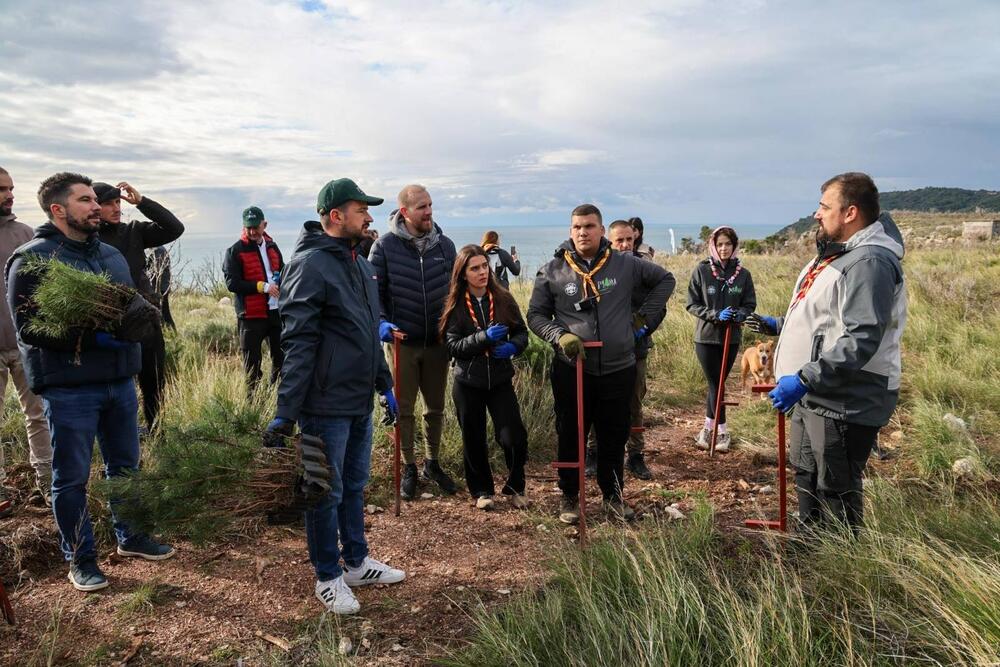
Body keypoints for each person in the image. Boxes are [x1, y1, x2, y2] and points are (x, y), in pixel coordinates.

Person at [6, 172, 174, 592]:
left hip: (118, 380)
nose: (96, 206)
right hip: (70, 387)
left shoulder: (111, 255)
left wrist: (141, 317)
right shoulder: (33, 259)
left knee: (125, 466)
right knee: (72, 477)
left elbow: (127, 306)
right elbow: (30, 329)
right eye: (85, 200)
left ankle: (131, 537)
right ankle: (80, 558)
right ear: (58, 209)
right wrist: (92, 334)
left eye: (94, 201)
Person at [264, 178, 404, 615]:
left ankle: (356, 562)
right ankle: (327, 575)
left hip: (358, 397)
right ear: (335, 216)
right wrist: (286, 412)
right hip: (323, 403)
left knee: (355, 484)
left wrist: (384, 384)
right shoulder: (309, 265)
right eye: (361, 209)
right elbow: (298, 342)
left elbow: (366, 331)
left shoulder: (358, 263)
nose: (369, 216)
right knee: (323, 490)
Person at [747, 172, 906, 533]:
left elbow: (862, 336)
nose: (817, 214)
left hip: (843, 397)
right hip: (816, 393)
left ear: (850, 213)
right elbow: (827, 316)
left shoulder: (870, 262)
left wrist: (804, 377)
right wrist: (783, 324)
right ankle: (810, 548)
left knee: (835, 487)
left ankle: (840, 570)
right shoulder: (842, 254)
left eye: (824, 207)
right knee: (808, 473)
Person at [528, 204, 675, 523]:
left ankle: (613, 496)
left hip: (618, 366)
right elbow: (536, 315)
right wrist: (558, 335)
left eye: (590, 226)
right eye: (577, 227)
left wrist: (642, 319)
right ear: (570, 231)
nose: (583, 232)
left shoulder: (625, 264)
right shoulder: (552, 270)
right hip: (572, 368)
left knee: (614, 434)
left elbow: (665, 280)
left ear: (601, 230)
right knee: (570, 433)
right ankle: (570, 497)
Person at [370, 185, 459, 499]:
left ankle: (432, 463)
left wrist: (455, 328)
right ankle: (408, 465)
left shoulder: (445, 246)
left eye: (431, 205)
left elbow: (455, 292)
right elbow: (373, 294)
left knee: (435, 408)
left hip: (437, 342)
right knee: (404, 409)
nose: (429, 211)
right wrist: (381, 322)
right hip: (402, 342)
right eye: (422, 207)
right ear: (405, 212)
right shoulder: (383, 247)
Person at [440, 244, 530, 511]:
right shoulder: (455, 304)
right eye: (474, 268)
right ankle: (481, 491)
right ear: (463, 273)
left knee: (514, 436)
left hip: (500, 380)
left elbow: (522, 333)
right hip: (468, 382)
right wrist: (483, 338)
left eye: (484, 266)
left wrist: (513, 346)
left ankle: (516, 487)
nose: (482, 272)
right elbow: (452, 346)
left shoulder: (503, 298)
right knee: (473, 437)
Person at [94, 181, 184, 431]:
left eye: (118, 203)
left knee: (154, 382)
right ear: (95, 206)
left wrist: (142, 202)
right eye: (108, 203)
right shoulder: (89, 240)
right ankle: (125, 441)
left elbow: (175, 228)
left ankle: (156, 433)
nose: (116, 208)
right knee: (119, 390)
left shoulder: (133, 231)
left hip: (145, 322)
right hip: (109, 326)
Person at [0, 167, 52, 515]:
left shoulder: (24, 233)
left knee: (38, 415)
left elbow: (43, 286)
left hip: (24, 344)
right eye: (2, 189)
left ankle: (49, 487)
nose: (9, 195)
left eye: (11, 188)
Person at [686, 226, 757, 451]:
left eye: (728, 244)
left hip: (731, 337)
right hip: (706, 338)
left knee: (717, 384)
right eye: (720, 244)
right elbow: (691, 303)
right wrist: (715, 315)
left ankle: (708, 428)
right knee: (716, 383)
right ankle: (722, 431)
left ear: (734, 246)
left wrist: (740, 315)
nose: (724, 248)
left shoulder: (743, 274)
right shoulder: (702, 270)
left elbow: (749, 303)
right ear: (713, 246)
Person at [223, 206, 285, 392]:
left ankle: (275, 397)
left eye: (255, 227)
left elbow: (282, 270)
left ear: (264, 224)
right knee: (252, 364)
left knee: (281, 359)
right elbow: (232, 283)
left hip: (275, 313)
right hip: (250, 316)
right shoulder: (234, 251)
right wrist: (263, 287)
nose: (251, 232)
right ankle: (253, 405)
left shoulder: (273, 247)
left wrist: (280, 282)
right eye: (248, 227)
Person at [146, 246, 175, 330]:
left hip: (161, 287)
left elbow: (156, 270)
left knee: (164, 312)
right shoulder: (157, 249)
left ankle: (170, 332)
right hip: (162, 286)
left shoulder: (158, 250)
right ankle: (169, 332)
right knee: (164, 312)